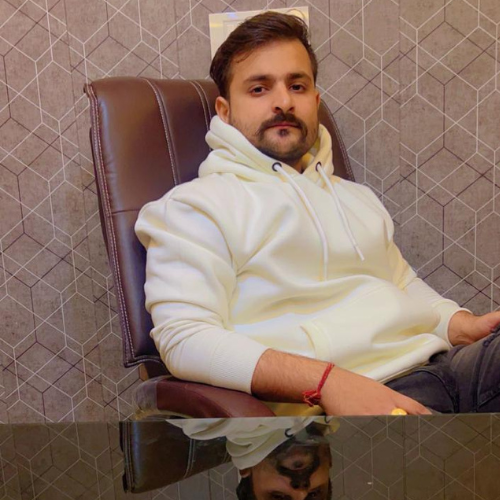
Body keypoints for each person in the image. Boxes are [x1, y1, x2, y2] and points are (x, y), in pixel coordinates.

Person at [135, 12, 500, 416]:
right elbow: (184, 338)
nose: (283, 101)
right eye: (259, 89)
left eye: (297, 86)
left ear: (315, 101)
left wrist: (458, 323)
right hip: (360, 402)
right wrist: (327, 383)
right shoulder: (194, 209)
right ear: (225, 110)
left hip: (447, 365)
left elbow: (401, 282)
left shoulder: (355, 197)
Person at [169, 416, 338, 499]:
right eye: (314, 494)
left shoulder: (202, 418)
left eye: (279, 498)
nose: (301, 491)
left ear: (246, 469)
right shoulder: (344, 397)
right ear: (329, 458)